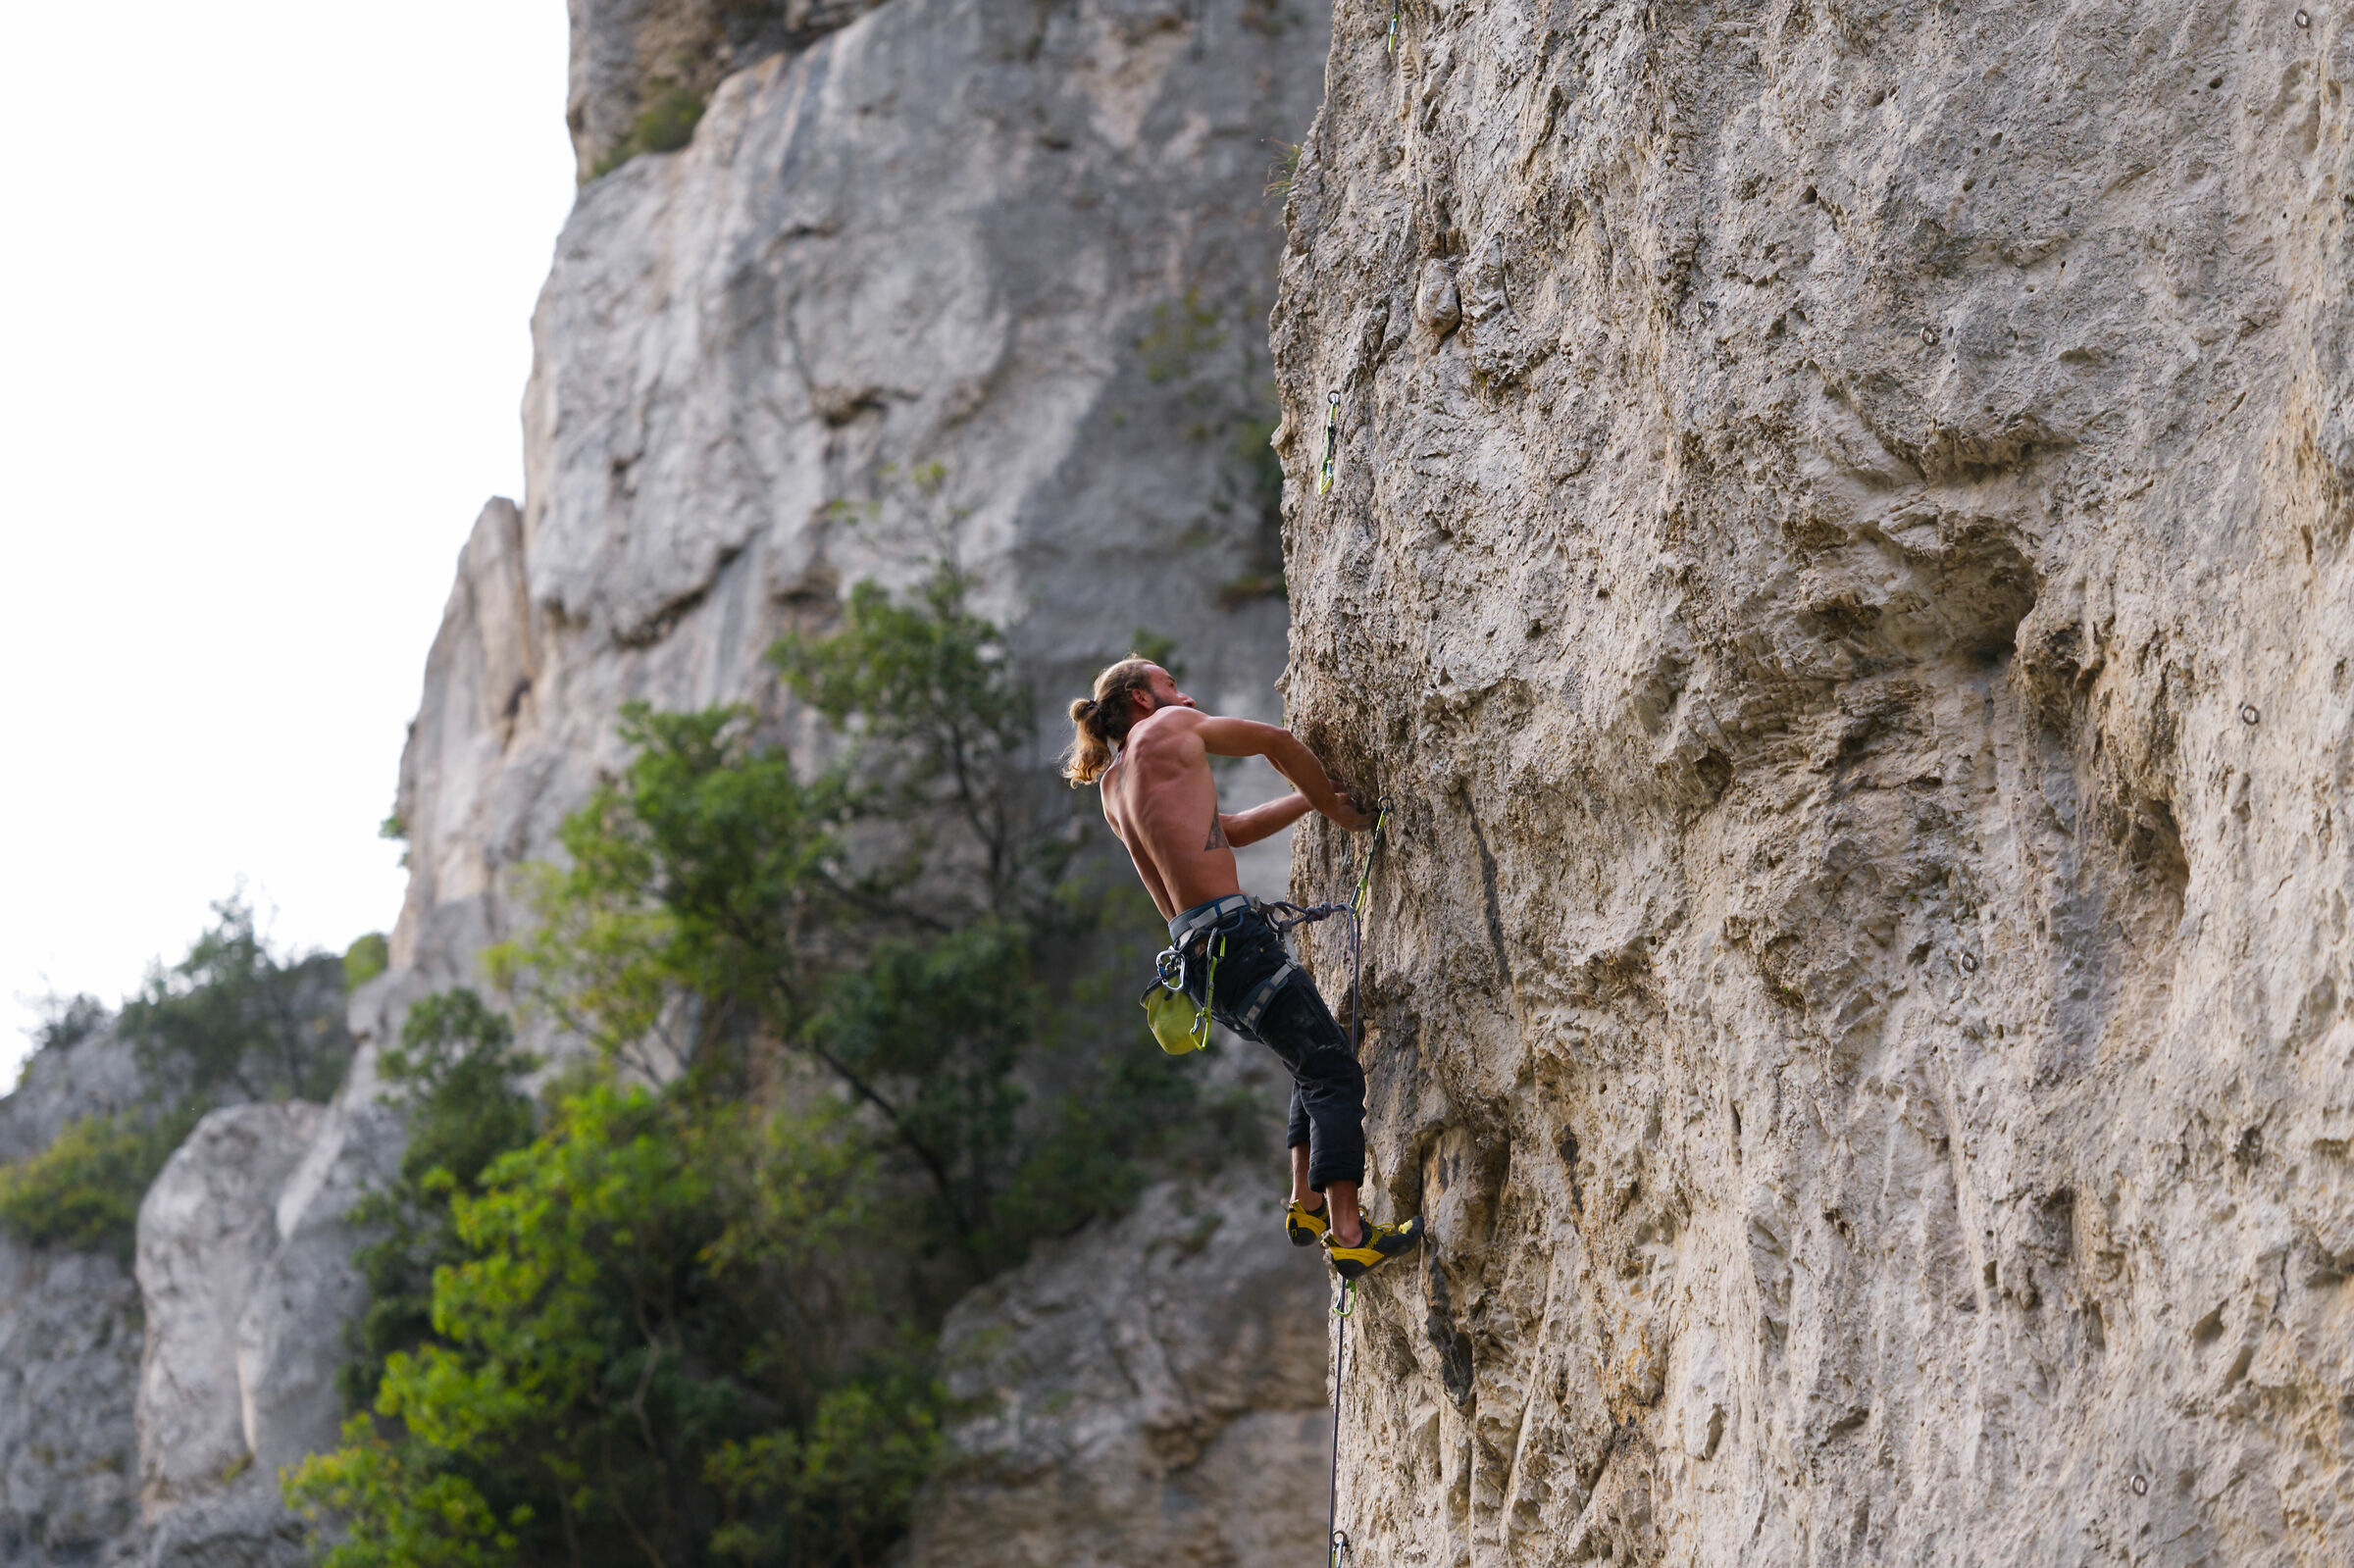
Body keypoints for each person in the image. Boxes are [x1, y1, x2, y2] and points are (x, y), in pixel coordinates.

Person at [1064, 657, 1423, 1279]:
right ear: (1141, 700)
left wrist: (1310, 803)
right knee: (1334, 1073)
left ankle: (1307, 1204)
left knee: (1309, 1057)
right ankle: (1347, 1232)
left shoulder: (1114, 786)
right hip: (1236, 937)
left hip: (1199, 965)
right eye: (1169, 683)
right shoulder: (1167, 729)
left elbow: (1222, 830)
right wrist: (1340, 813)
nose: (1186, 692)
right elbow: (1274, 742)